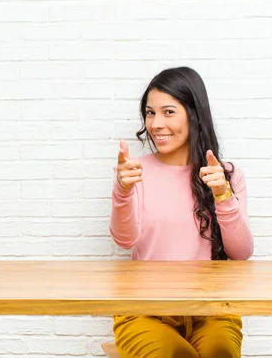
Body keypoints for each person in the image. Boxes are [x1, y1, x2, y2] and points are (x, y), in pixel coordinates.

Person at [109, 66, 254, 358]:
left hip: (212, 312)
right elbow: (124, 240)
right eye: (150, 113)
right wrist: (122, 191)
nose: (156, 123)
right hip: (144, 311)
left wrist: (223, 195)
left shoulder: (225, 175)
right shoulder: (135, 173)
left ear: (194, 114)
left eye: (168, 112)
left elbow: (241, 252)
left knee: (220, 354)